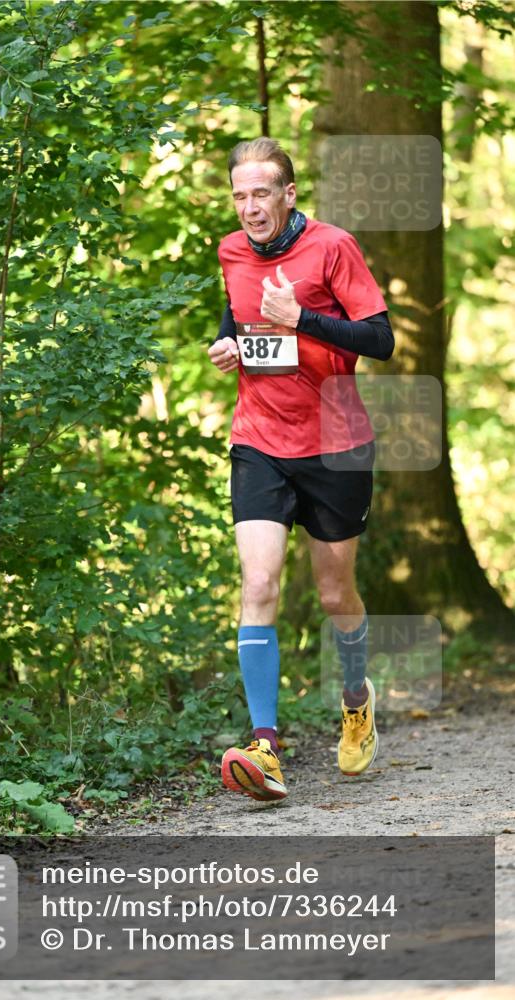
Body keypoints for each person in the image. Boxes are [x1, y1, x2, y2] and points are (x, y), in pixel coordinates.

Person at [208, 137, 394, 802]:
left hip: (335, 444)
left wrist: (303, 318)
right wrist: (227, 343)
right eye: (240, 195)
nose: (249, 207)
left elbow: (380, 339)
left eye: (261, 193)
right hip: (259, 439)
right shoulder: (231, 251)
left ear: (288, 194)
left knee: (334, 595)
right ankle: (264, 746)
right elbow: (238, 316)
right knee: (258, 583)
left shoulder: (333, 247)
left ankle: (355, 700)